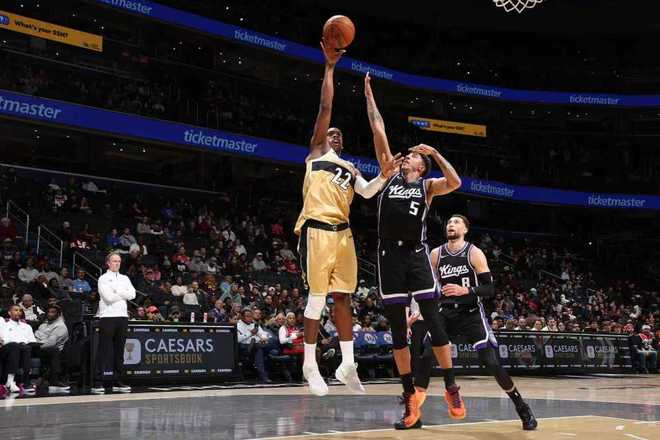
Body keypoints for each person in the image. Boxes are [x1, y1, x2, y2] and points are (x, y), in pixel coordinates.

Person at [295, 40, 402, 397]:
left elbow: (369, 193)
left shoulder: (351, 168)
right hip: (316, 230)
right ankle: (310, 365)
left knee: (343, 299)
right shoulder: (316, 154)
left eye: (338, 134)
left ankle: (347, 364)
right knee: (316, 299)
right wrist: (329, 68)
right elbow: (326, 107)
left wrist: (385, 175)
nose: (334, 134)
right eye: (330, 133)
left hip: (344, 235)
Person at [364, 72, 464, 429]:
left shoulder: (428, 186)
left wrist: (434, 152)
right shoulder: (389, 175)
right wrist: (369, 96)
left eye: (410, 157)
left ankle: (451, 386)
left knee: (433, 320)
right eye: (405, 157)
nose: (404, 158)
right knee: (397, 331)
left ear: (420, 167)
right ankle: (409, 398)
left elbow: (456, 181)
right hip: (388, 256)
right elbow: (378, 129)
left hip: (416, 254)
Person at [411, 215, 537, 430]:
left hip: (470, 314)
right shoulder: (436, 254)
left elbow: (489, 289)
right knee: (426, 356)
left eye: (456, 222)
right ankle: (413, 413)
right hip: (444, 312)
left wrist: (466, 290)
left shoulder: (474, 252)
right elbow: (425, 286)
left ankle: (521, 406)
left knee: (491, 363)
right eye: (449, 222)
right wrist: (417, 310)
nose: (451, 225)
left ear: (465, 229)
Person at [91, 252, 136, 394]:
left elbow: (133, 294)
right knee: (104, 350)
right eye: (114, 261)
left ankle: (118, 381)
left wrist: (118, 291)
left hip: (123, 316)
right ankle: (97, 382)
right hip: (108, 317)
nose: (117, 263)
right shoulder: (103, 279)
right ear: (108, 263)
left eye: (119, 261)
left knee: (119, 351)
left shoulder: (125, 278)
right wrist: (123, 293)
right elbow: (108, 298)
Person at [0, 304, 36, 393]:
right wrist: (19, 343)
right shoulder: (4, 325)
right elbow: (4, 340)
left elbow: (32, 340)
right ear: (9, 313)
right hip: (6, 349)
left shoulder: (27, 326)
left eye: (20, 310)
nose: (18, 312)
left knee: (26, 348)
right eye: (15, 310)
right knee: (14, 346)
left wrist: (23, 344)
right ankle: (10, 381)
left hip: (23, 349)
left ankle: (26, 382)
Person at [33, 305, 70, 390]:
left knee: (54, 351)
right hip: (37, 347)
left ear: (58, 314)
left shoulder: (60, 326)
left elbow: (51, 343)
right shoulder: (43, 324)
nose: (49, 314)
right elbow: (36, 335)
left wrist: (39, 342)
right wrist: (42, 340)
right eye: (49, 312)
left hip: (50, 350)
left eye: (52, 312)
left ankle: (55, 381)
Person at [236, 308, 271, 383]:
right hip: (243, 347)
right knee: (258, 347)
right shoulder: (238, 325)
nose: (250, 318)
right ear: (242, 317)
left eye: (251, 316)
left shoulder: (254, 324)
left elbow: (264, 334)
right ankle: (263, 376)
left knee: (260, 347)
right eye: (247, 316)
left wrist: (263, 338)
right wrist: (251, 333)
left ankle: (263, 375)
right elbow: (238, 339)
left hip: (255, 346)